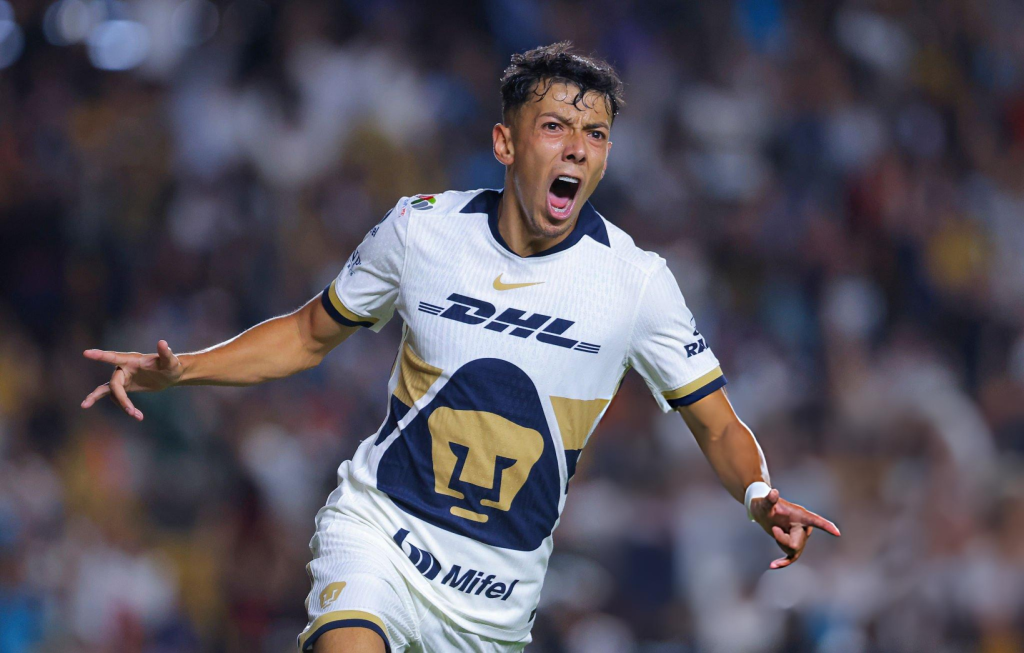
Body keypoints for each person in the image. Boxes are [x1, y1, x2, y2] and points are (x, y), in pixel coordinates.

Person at [80, 42, 840, 653]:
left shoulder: (636, 283)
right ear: (505, 143)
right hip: (380, 533)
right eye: (555, 127)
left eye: (596, 133)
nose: (577, 147)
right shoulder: (421, 230)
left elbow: (715, 423)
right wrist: (184, 370)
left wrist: (759, 497)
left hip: (493, 603)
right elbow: (311, 333)